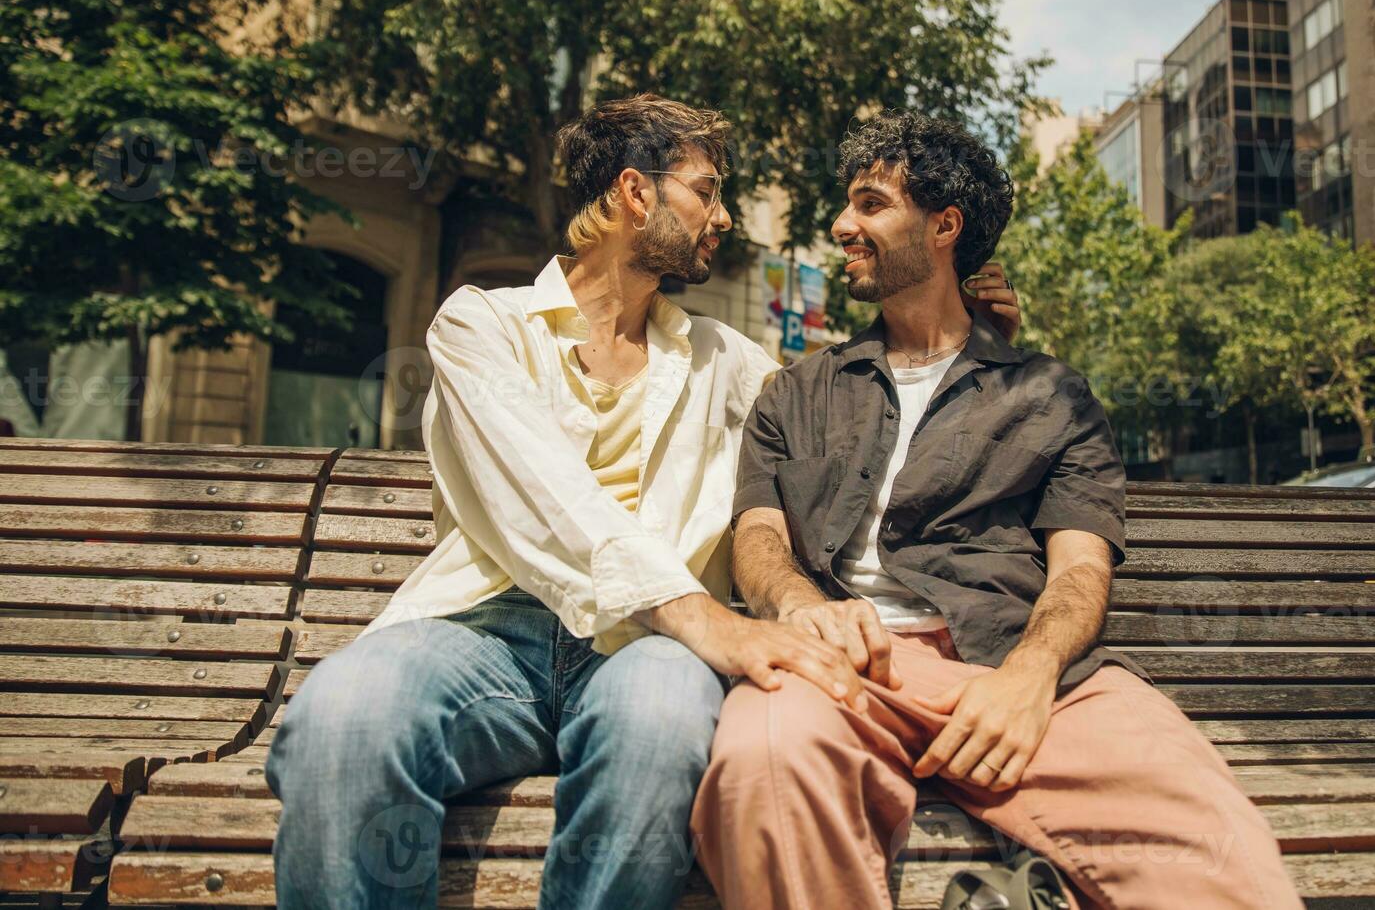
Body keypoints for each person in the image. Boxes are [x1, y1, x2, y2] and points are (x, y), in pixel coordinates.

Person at [264, 95, 1021, 910]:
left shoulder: (727, 359)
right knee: (341, 721)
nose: (723, 216)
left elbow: (855, 426)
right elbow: (543, 497)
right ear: (635, 193)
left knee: (660, 725)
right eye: (705, 191)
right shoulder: (480, 327)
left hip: (646, 654)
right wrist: (707, 620)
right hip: (490, 633)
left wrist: (966, 349)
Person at [690, 111, 1305, 910]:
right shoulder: (798, 393)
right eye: (848, 205)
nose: (843, 224)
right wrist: (801, 605)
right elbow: (760, 537)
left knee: (1212, 836)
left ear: (944, 226)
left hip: (1012, 664)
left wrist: (1032, 672)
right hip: (841, 665)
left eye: (870, 204)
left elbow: (1081, 569)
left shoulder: (1052, 396)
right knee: (760, 772)